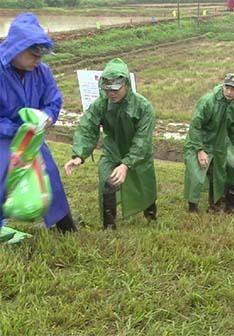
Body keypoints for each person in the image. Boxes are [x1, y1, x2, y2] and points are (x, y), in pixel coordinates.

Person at [0, 13, 76, 232]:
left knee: (49, 171)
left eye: (41, 55)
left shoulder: (42, 72)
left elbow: (53, 101)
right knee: (4, 171)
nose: (38, 60)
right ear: (17, 48)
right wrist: (15, 129)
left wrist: (47, 118)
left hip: (33, 136)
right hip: (4, 137)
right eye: (34, 54)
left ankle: (63, 225)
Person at [64, 58, 157, 230]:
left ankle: (150, 214)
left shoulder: (144, 107)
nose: (111, 93)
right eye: (107, 89)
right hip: (112, 150)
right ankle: (109, 225)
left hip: (138, 153)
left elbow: (142, 140)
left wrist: (127, 164)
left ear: (126, 84)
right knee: (107, 180)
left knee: (144, 182)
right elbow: (87, 127)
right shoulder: (101, 105)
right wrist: (79, 155)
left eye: (115, 89)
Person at [184, 74, 234, 214]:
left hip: (219, 144)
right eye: (227, 87)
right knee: (197, 174)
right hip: (199, 141)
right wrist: (199, 150)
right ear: (223, 86)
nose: (229, 92)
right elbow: (196, 126)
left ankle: (215, 205)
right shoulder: (208, 101)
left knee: (219, 174)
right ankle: (192, 208)